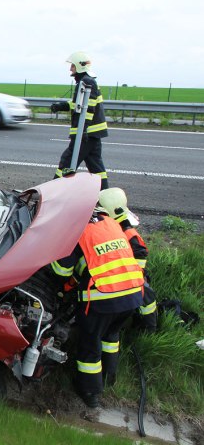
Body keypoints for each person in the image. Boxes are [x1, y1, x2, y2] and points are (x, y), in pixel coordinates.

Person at [50, 204, 145, 408]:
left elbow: (60, 270)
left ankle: (90, 393)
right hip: (133, 294)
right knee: (110, 336)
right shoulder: (109, 222)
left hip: (103, 299)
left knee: (90, 345)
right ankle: (109, 376)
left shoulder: (75, 230)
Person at [98, 188, 158, 331]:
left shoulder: (130, 236)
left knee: (145, 293)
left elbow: (138, 268)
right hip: (121, 275)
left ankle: (147, 329)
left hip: (130, 278)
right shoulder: (119, 226)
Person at [51, 51, 110, 189]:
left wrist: (82, 131)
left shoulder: (86, 82)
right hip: (92, 133)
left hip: (87, 134)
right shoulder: (87, 82)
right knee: (96, 167)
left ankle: (53, 191)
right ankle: (104, 195)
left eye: (72, 65)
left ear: (79, 66)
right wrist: (62, 106)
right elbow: (79, 105)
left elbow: (88, 109)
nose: (70, 69)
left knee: (67, 162)